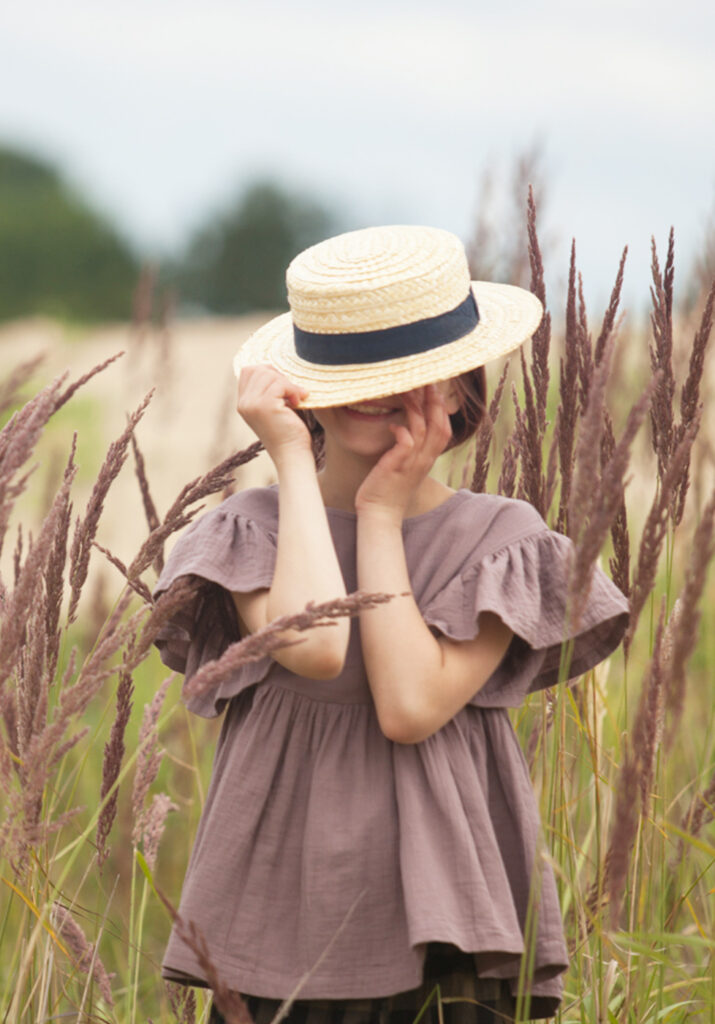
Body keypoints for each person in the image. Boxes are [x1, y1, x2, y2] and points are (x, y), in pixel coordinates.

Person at [154, 225, 629, 1023]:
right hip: (281, 914)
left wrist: (379, 518)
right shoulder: (253, 528)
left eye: (410, 376)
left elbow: (410, 708)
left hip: (442, 914)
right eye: (354, 378)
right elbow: (313, 643)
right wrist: (290, 462)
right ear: (307, 391)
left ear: (454, 387)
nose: (382, 399)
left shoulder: (500, 541)